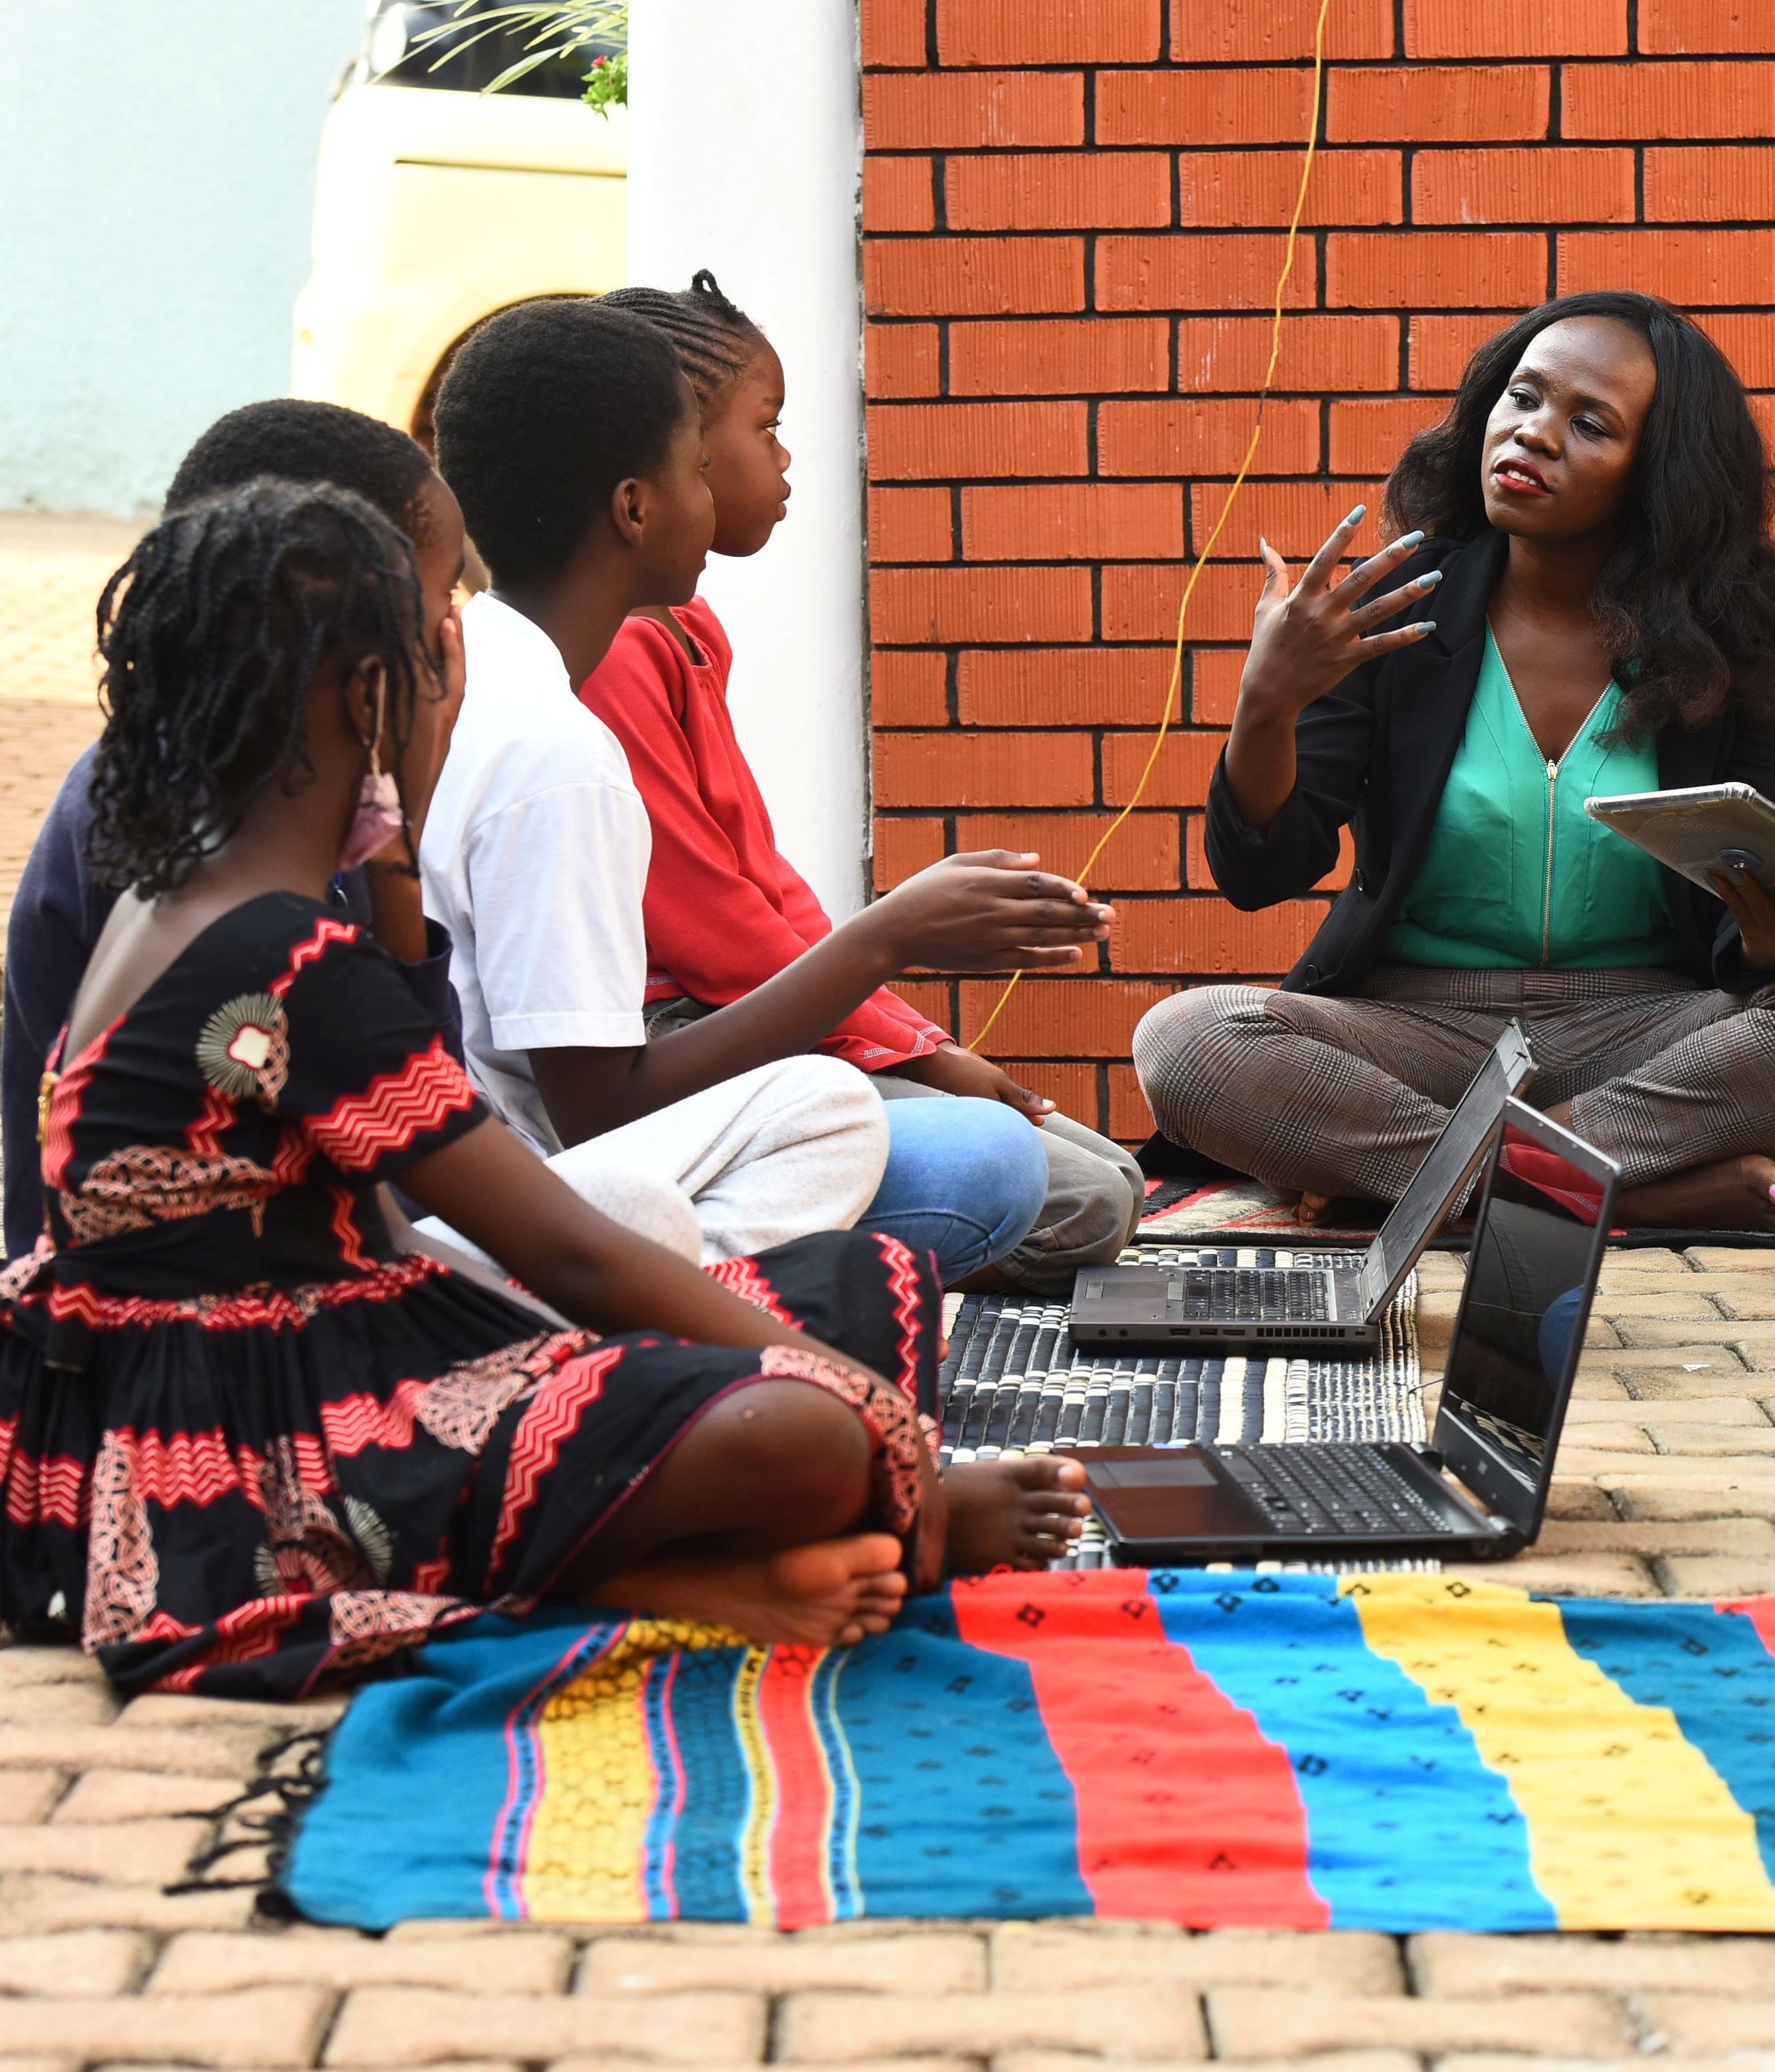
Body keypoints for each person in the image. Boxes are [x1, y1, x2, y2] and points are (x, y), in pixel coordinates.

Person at [0, 482, 1087, 1697]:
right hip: (239, 1452)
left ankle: (675, 1545)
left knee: (835, 1288)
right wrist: (908, 1452)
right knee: (811, 1434)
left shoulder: (183, 894)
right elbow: (573, 1256)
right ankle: (634, 1578)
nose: (455, 686)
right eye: (438, 654)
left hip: (239, 1359)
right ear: (373, 696)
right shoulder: (281, 954)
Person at [1131, 290, 1775, 1237]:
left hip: (1643, 1032)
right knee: (1187, 1040)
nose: (1535, 434)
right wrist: (1267, 702)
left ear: (1654, 475)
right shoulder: (1398, 611)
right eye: (1523, 397)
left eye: (1589, 424)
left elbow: (1749, 931)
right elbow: (1260, 870)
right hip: (1415, 1029)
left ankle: (1458, 1187)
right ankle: (1618, 1192)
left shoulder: (1722, 644)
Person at [423, 298, 1104, 1277]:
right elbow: (597, 1115)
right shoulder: (554, 749)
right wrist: (888, 938)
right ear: (635, 506)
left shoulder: (490, 675)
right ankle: (665, 1306)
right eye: (696, 469)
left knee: (873, 1116)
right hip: (545, 1197)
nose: (722, 487)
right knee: (984, 1159)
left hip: (532, 1160)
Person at [7, 400, 466, 1265]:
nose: (456, 646)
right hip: (219, 1312)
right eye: (443, 604)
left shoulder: (298, 798)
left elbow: (417, 1102)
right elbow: (412, 1171)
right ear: (366, 670)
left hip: (316, 1247)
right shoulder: (173, 841)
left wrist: (402, 820)